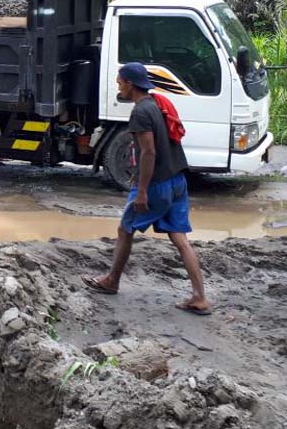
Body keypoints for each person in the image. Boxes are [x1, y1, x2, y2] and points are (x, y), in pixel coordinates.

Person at [82, 62, 211, 315]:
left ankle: (111, 281)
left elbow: (149, 152)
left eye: (119, 82)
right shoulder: (158, 104)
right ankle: (200, 297)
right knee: (180, 239)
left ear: (130, 84)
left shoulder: (141, 113)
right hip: (178, 181)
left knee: (125, 229)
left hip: (156, 185)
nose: (117, 86)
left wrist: (142, 191)